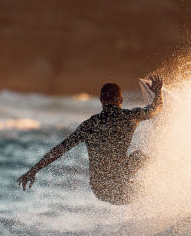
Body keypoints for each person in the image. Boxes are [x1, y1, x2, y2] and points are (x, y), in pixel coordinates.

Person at [17, 75, 163, 204]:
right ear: (121, 99)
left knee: (135, 162)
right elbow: (156, 108)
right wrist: (157, 93)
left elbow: (59, 150)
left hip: (101, 190)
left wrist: (33, 170)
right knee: (140, 159)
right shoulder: (130, 117)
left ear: (101, 100)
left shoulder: (90, 125)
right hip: (121, 188)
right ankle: (161, 190)